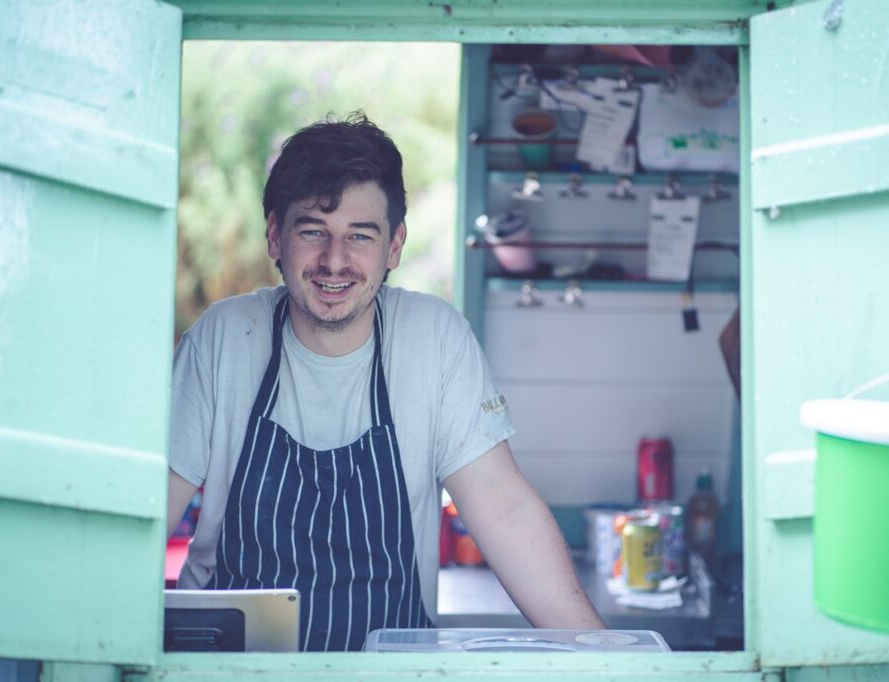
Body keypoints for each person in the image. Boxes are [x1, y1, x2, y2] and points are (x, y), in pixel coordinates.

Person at [166, 112, 605, 651]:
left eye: (360, 235)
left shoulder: (432, 338)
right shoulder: (225, 337)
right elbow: (148, 509)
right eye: (312, 232)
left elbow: (504, 509)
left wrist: (604, 657)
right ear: (276, 237)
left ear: (394, 246)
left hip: (387, 669)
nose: (335, 260)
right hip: (228, 669)